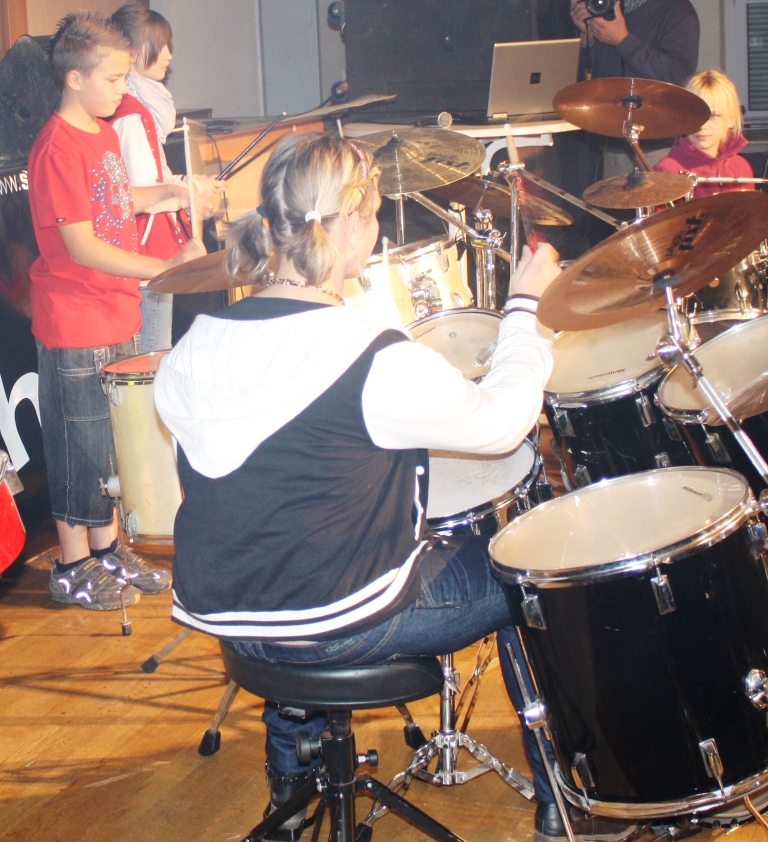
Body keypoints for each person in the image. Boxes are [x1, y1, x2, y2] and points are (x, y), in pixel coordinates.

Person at [154, 132, 637, 842]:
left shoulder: (191, 347)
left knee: (298, 567)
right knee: (530, 566)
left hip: (236, 623)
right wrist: (526, 310)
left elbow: (268, 487)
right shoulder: (367, 354)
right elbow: (504, 423)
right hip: (337, 624)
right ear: (349, 224)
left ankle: (291, 788)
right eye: (374, 212)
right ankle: (570, 807)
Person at [28, 11, 205, 610]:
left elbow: (114, 200)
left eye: (126, 77)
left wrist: (170, 191)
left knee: (111, 446)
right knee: (79, 446)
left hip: (116, 311)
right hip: (75, 320)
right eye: (113, 79)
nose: (123, 90)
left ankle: (107, 550)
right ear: (74, 78)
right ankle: (71, 564)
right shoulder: (56, 145)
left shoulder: (102, 132)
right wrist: (162, 268)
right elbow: (82, 244)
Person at [108, 3, 224, 352]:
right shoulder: (132, 112)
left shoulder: (137, 108)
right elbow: (145, 191)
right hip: (147, 253)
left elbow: (156, 178)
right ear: (131, 51)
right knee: (152, 355)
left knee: (153, 351)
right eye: (159, 45)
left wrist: (195, 186)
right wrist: (191, 190)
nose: (169, 55)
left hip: (148, 251)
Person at [568, 0, 700, 180]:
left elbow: (679, 76)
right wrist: (585, 38)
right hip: (603, 141)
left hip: (656, 145)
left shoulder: (678, 11)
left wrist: (623, 41)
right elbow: (584, 81)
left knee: (656, 197)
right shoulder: (604, 6)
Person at [653, 69, 755, 198]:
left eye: (713, 115)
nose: (702, 126)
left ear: (731, 119)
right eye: (696, 115)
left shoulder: (741, 167)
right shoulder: (666, 172)